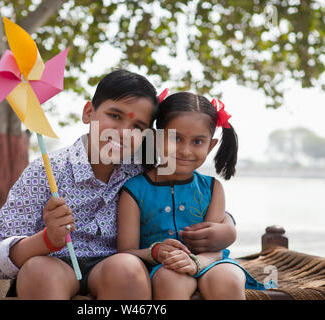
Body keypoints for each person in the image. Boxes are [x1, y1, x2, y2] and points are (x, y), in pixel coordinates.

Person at [0, 70, 237, 300]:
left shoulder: (142, 168)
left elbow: (187, 197)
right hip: (54, 265)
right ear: (88, 113)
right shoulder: (46, 171)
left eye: (137, 127)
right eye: (114, 116)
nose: (124, 132)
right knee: (39, 270)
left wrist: (228, 227)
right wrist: (47, 240)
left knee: (125, 267)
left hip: (114, 267)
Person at [117, 92, 275, 300]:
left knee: (228, 278)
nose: (185, 150)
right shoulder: (134, 190)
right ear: (155, 138)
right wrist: (156, 252)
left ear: (211, 145)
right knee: (171, 279)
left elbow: (215, 249)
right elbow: (126, 252)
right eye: (175, 138)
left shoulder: (212, 188)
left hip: (212, 263)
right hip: (161, 266)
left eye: (198, 142)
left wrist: (197, 263)